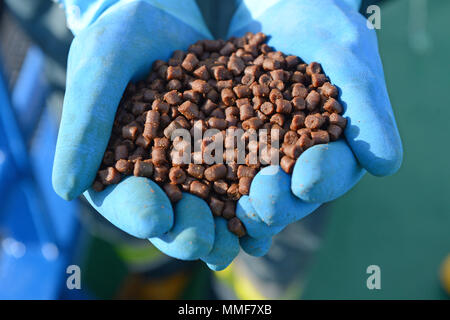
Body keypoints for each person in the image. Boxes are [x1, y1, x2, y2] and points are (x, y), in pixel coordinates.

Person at [5, 0, 402, 299]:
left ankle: (254, 295)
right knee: (103, 146)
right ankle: (158, 274)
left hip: (285, 16)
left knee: (290, 203)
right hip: (99, 31)